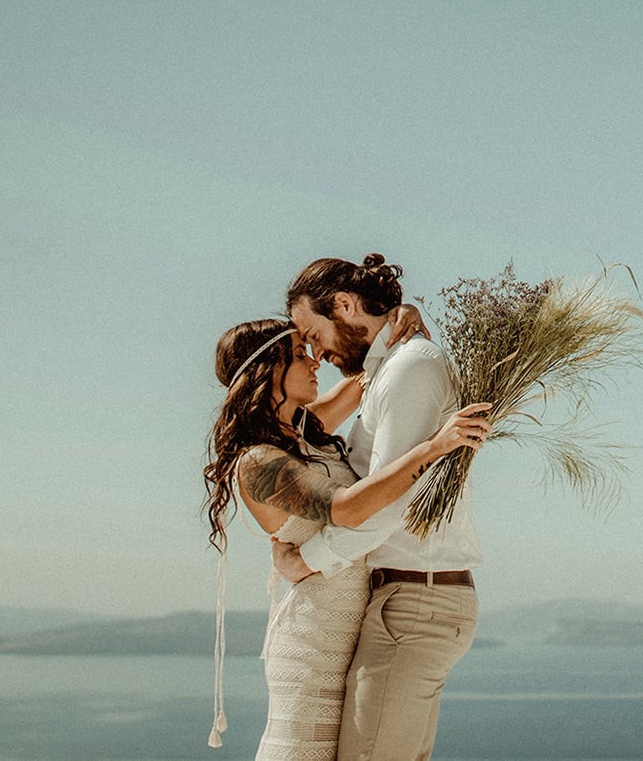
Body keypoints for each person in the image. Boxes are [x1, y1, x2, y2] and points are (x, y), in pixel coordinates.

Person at [201, 311, 492, 759]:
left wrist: (399, 323)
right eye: (300, 354)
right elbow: (349, 507)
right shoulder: (259, 461)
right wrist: (435, 446)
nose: (316, 359)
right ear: (267, 372)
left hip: (355, 628)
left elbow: (373, 371)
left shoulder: (304, 428)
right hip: (314, 641)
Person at [271, 253, 479, 760]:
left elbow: (390, 501)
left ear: (343, 304)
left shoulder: (411, 367)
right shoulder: (393, 367)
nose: (314, 352)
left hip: (415, 603)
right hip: (410, 599)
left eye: (313, 334)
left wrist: (308, 561)